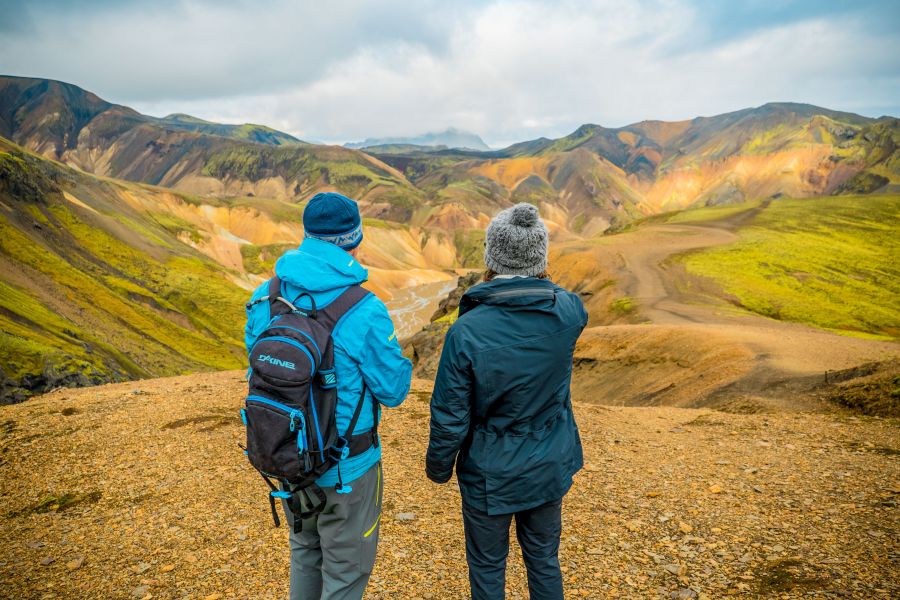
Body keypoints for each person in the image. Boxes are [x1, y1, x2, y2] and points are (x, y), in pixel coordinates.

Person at [245, 191, 412, 600]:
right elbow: (393, 391)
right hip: (348, 467)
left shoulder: (265, 297)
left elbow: (259, 368)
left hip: (288, 457)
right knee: (346, 572)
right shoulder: (365, 309)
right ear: (354, 239)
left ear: (307, 236)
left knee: (304, 552)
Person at [425, 202, 588, 600]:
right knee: (544, 559)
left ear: (492, 257)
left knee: (487, 565)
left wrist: (439, 467)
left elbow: (450, 414)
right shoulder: (568, 312)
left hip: (489, 473)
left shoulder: (467, 331)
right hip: (550, 461)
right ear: (540, 257)